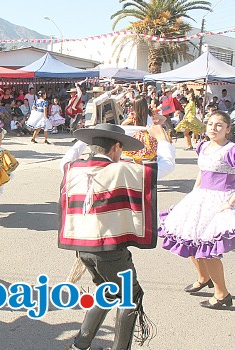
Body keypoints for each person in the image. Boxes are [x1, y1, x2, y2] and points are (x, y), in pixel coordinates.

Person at [59, 123, 175, 350]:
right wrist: (162, 138)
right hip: (109, 249)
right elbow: (165, 166)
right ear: (117, 147)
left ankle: (80, 345)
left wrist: (84, 138)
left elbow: (67, 156)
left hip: (83, 248)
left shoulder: (72, 168)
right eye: (121, 149)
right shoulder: (121, 170)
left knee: (108, 293)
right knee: (129, 296)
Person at [158, 111, 234, 310]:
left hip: (222, 199)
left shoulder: (231, 149)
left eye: (219, 125)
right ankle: (203, 277)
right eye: (210, 124)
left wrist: (230, 203)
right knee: (188, 237)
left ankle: (222, 294)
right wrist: (194, 192)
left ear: (228, 128)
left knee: (208, 247)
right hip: (200, 197)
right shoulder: (203, 146)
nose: (213, 128)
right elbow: (202, 172)